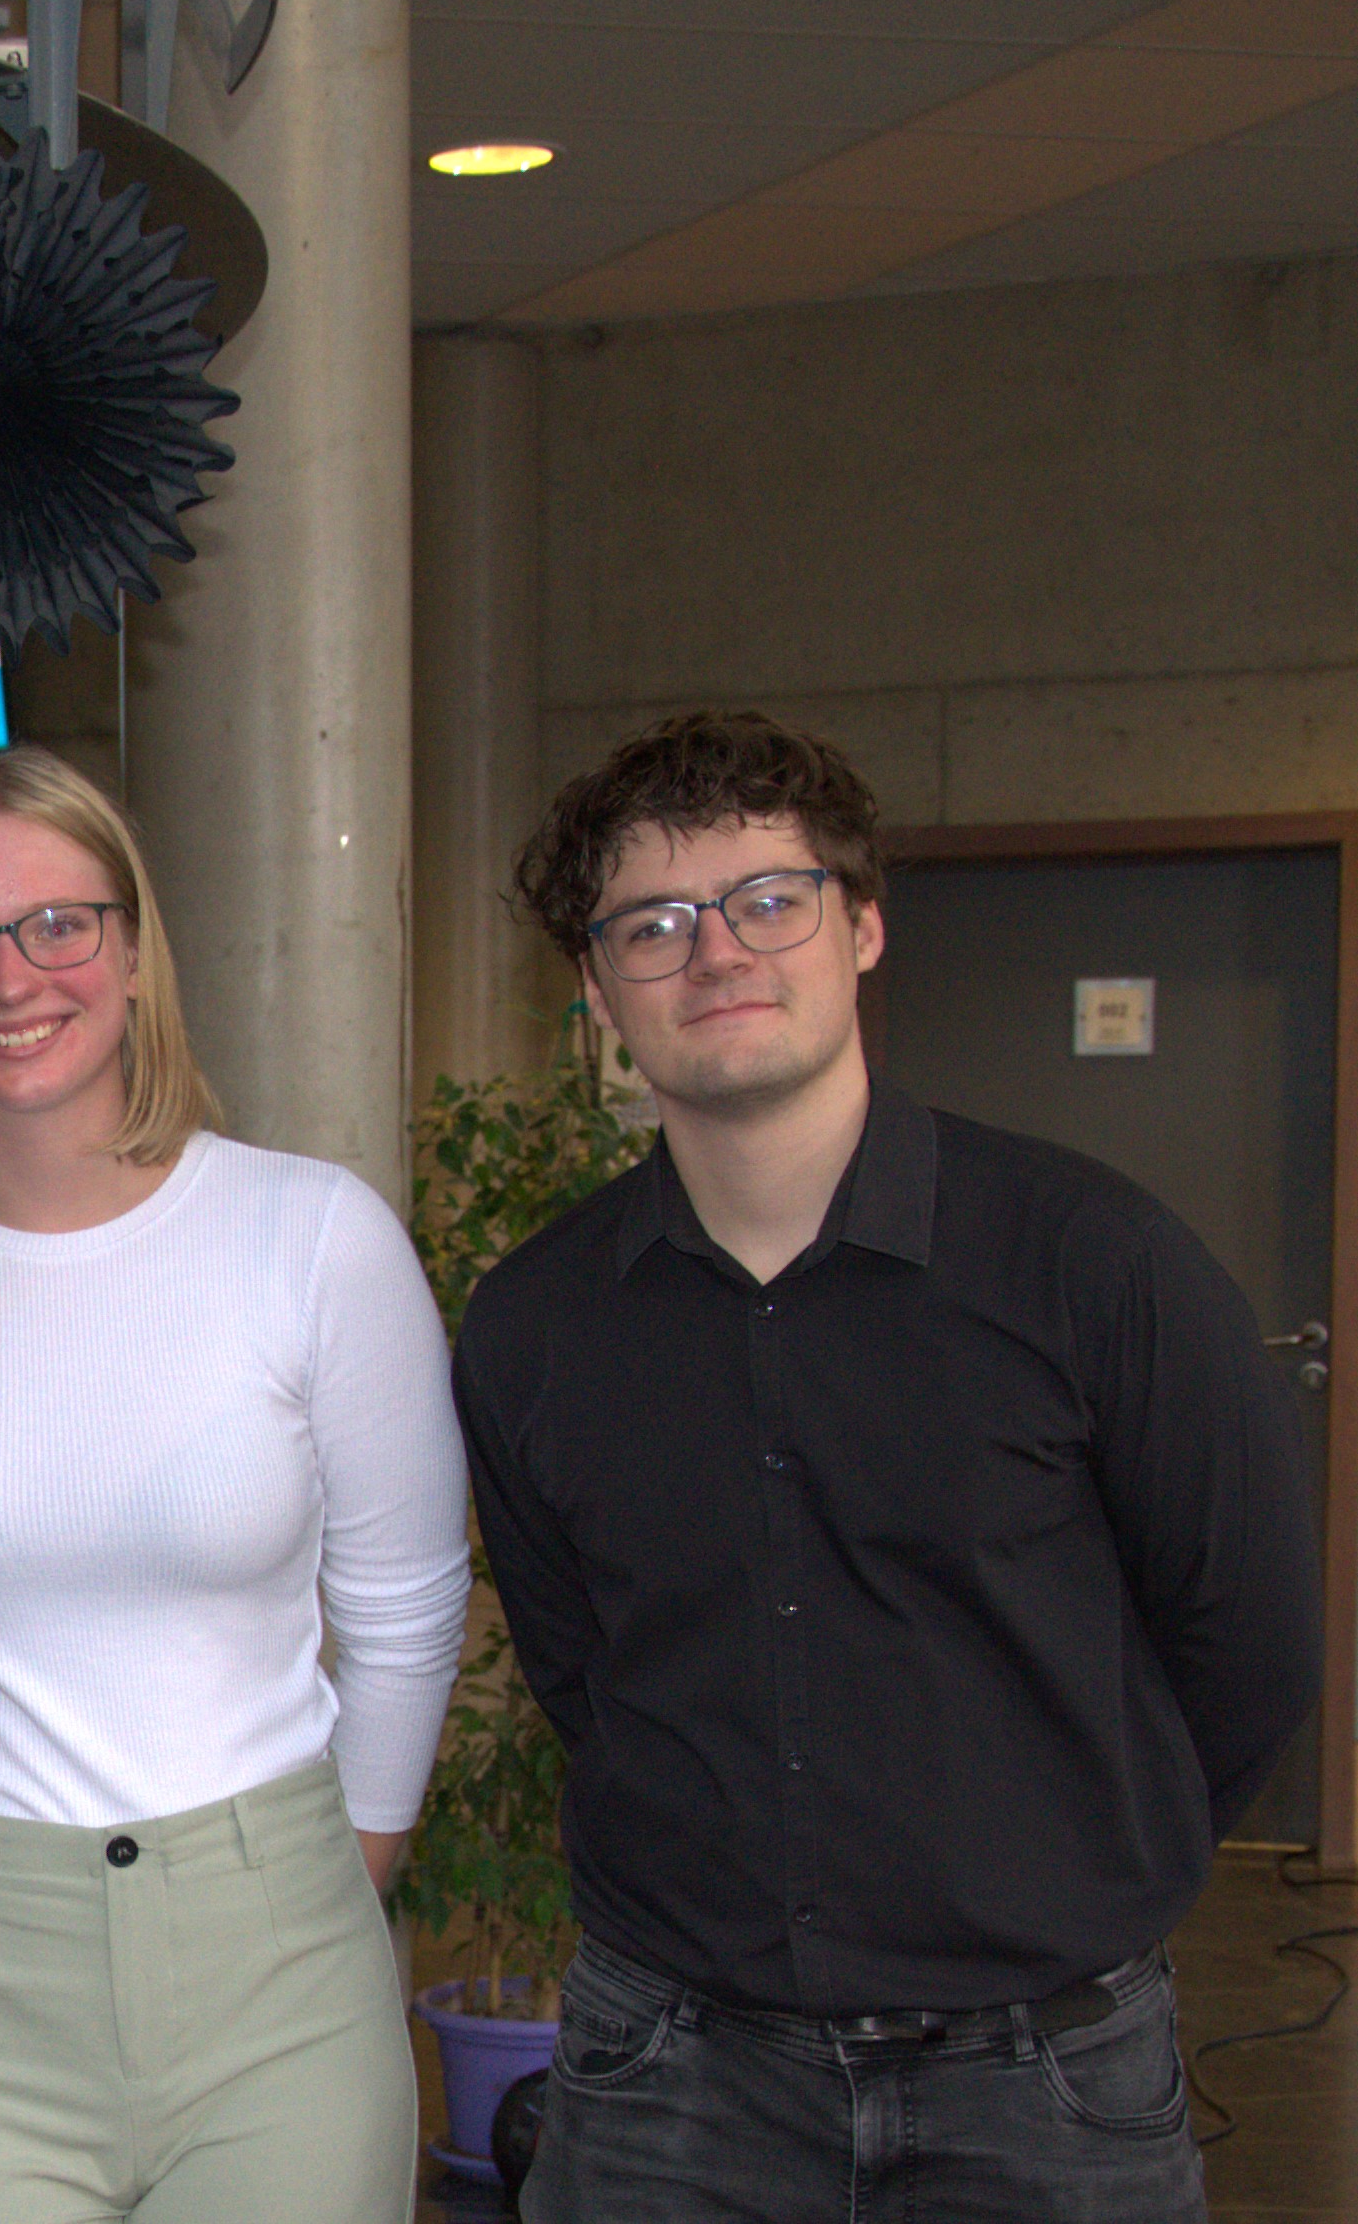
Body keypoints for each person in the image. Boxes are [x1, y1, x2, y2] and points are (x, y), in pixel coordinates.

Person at [459, 711, 1322, 2224]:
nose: (716, 953)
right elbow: (579, 1668)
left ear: (860, 928)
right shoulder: (535, 1322)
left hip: (1047, 2085)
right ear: (595, 990)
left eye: (767, 900)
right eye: (653, 925)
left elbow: (1244, 1642)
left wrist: (1066, 1865)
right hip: (671, 2088)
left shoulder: (1097, 1261)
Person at [0, 747, 468, 2224]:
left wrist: (311, 1879)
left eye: (58, 924)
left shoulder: (312, 1236)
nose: (8, 977)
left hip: (280, 1969)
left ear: (135, 952)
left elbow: (404, 1608)